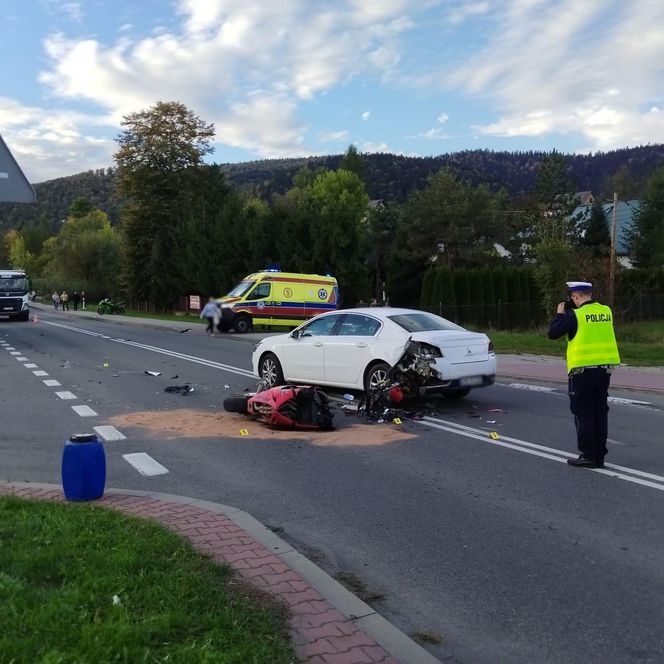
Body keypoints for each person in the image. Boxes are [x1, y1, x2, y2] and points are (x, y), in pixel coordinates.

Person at [548, 281, 620, 468]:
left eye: (572, 297)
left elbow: (553, 333)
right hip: (604, 371)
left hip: (582, 373)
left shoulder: (575, 315)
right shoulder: (606, 311)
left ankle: (588, 455)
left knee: (584, 414)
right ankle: (599, 456)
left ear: (576, 296)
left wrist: (559, 314)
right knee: (600, 413)